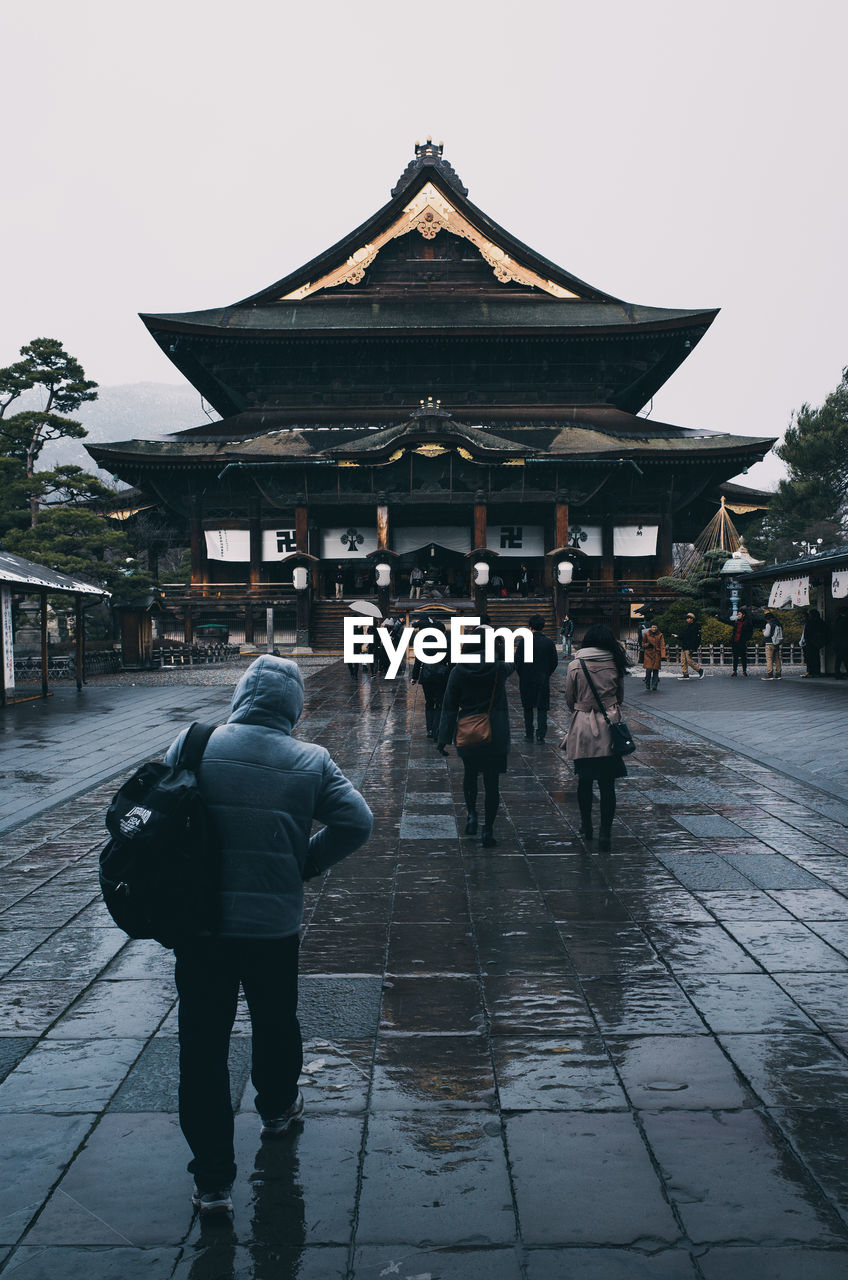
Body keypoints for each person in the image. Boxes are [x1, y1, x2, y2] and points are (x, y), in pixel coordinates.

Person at [163, 656, 373, 1217]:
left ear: (242, 694)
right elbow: (359, 822)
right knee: (275, 1021)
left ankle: (211, 1180)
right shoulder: (310, 760)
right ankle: (278, 1109)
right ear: (294, 707)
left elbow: (165, 807)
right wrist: (303, 861)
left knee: (201, 1044)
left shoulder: (194, 742)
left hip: (200, 923)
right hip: (273, 924)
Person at [437, 632, 514, 848]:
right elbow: (513, 663)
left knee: (470, 775)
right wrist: (501, 647)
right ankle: (488, 830)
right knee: (492, 783)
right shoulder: (498, 668)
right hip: (495, 732)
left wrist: (443, 738)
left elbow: (449, 705)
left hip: (467, 731)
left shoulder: (459, 670)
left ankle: (471, 814)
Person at [562, 623, 628, 851]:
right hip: (609, 725)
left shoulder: (575, 665)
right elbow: (620, 696)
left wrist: (581, 708)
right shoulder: (614, 664)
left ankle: (587, 825)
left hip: (583, 726)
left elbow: (569, 699)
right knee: (607, 784)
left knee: (584, 780)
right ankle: (606, 833)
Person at [515, 614, 558, 742]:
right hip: (542, 677)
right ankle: (540, 735)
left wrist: (522, 673)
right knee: (542, 707)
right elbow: (554, 662)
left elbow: (517, 661)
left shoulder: (524, 641)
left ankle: (529, 733)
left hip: (526, 678)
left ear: (530, 627)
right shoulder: (549, 643)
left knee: (527, 707)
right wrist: (547, 673)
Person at [411, 624, 450, 737]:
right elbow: (450, 660)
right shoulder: (445, 642)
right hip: (441, 676)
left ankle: (429, 730)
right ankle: (436, 728)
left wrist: (414, 677)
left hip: (426, 675)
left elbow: (418, 661)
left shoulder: (424, 642)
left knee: (429, 703)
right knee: (439, 703)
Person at [675, 612, 705, 680]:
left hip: (689, 646)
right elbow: (685, 636)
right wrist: (678, 636)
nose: (687, 620)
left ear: (692, 619)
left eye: (689, 618)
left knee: (689, 660)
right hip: (685, 645)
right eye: (687, 618)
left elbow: (694, 639)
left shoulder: (694, 627)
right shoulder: (689, 626)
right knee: (683, 660)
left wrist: (693, 648)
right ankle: (685, 674)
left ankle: (700, 670)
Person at [800, 607, 828, 678]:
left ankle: (811, 671)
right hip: (816, 643)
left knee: (810, 658)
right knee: (815, 657)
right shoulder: (821, 622)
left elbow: (807, 634)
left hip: (810, 643)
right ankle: (815, 671)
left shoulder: (810, 623)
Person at [729, 607, 753, 676]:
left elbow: (750, 632)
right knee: (735, 657)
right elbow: (728, 622)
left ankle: (744, 671)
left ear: (743, 615)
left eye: (739, 614)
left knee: (743, 657)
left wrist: (746, 639)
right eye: (738, 614)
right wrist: (719, 618)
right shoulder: (736, 622)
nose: (738, 615)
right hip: (735, 641)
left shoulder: (747, 623)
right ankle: (734, 671)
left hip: (742, 642)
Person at [641, 622, 666, 691]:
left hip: (656, 654)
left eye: (655, 627)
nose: (654, 629)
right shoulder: (646, 634)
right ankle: (647, 684)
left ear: (657, 628)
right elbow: (643, 643)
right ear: (650, 627)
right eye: (653, 627)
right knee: (648, 670)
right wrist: (647, 645)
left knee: (656, 670)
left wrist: (663, 655)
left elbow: (662, 645)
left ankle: (654, 685)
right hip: (648, 654)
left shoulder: (660, 635)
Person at [762, 610, 784, 680]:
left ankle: (770, 674)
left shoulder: (769, 624)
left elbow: (767, 634)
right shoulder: (778, 624)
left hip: (769, 643)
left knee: (769, 658)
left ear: (767, 618)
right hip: (777, 643)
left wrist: (763, 631)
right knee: (777, 658)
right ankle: (778, 673)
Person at [834, 610, 848, 679]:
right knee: (845, 659)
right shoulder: (844, 621)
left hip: (837, 643)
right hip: (843, 643)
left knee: (839, 659)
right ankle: (838, 673)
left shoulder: (837, 621)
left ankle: (837, 673)